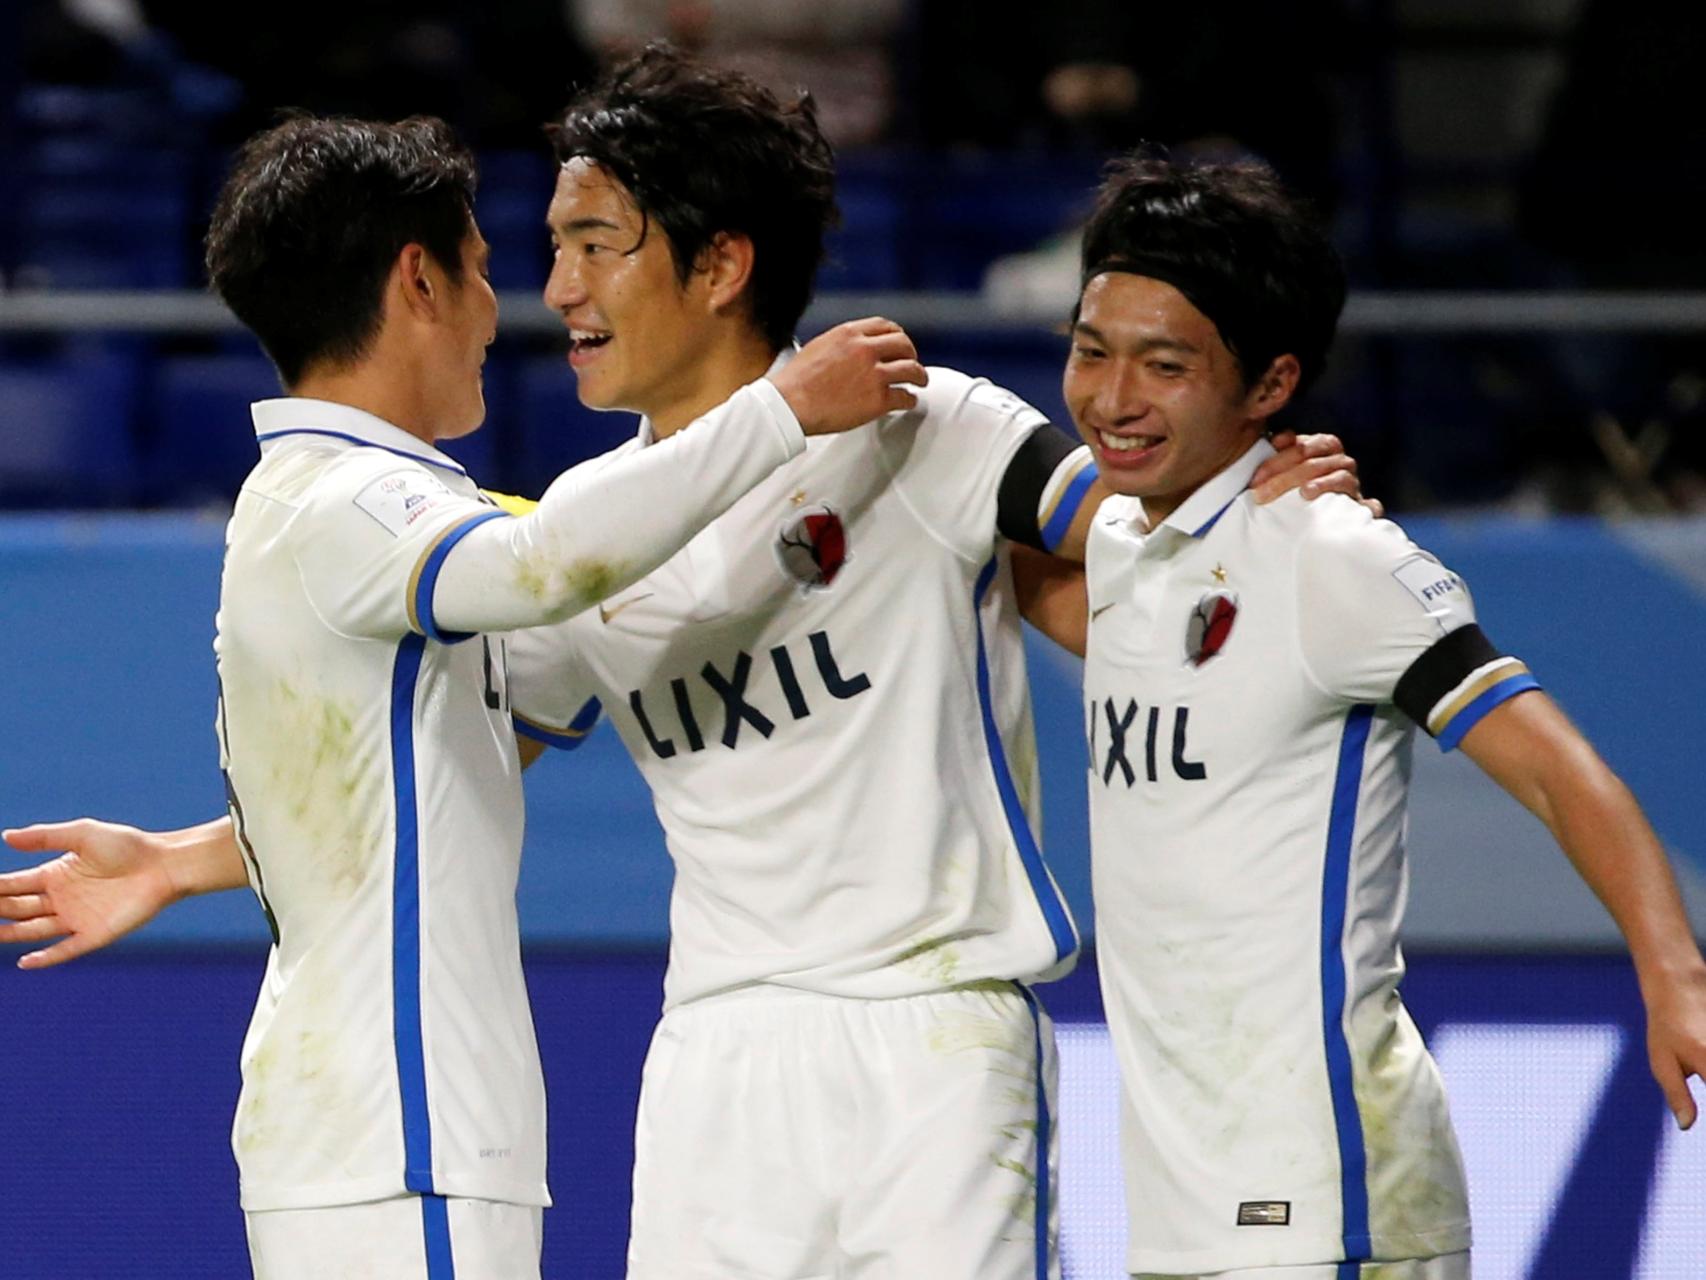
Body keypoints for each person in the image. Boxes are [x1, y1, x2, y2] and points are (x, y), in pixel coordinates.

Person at [2, 51, 1360, 1278]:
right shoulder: (593, 525)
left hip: (932, 1038)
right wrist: (191, 859)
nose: (558, 293)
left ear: (717, 266)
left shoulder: (918, 422)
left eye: (595, 245)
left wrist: (1257, 495)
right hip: (714, 1060)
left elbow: (1132, 550)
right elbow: (434, 773)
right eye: (546, 249)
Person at [0, 108, 918, 1279]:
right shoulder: (349, 506)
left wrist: (183, 860)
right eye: (484, 271)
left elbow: (416, 767)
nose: (507, 310)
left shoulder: (338, 510)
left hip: (380, 1140)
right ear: (417, 280)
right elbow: (547, 564)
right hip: (403, 1131)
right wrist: (783, 408)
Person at [1027, 150, 1706, 1280]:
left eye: (1162, 365)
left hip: (1326, 1191)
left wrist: (1670, 968)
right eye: (1089, 351)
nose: (1109, 396)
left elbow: (1553, 766)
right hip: (1179, 1203)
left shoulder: (1329, 555)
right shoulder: (1122, 552)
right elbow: (998, 560)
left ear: (1269, 384)